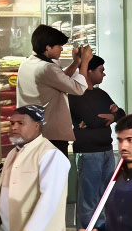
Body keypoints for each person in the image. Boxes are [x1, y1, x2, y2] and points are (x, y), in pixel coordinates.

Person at [68, 55, 125, 230]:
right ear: (89, 71)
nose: (104, 74)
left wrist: (113, 116)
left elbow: (121, 114)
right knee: (89, 197)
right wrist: (107, 117)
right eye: (101, 70)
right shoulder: (76, 94)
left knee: (107, 195)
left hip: (107, 150)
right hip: (88, 152)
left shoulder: (101, 94)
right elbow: (92, 120)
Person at [17, 24, 91, 153]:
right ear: (48, 47)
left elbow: (59, 79)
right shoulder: (47, 68)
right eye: (59, 46)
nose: (61, 49)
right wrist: (85, 62)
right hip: (51, 136)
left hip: (33, 132)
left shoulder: (26, 64)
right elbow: (78, 88)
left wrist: (76, 62)